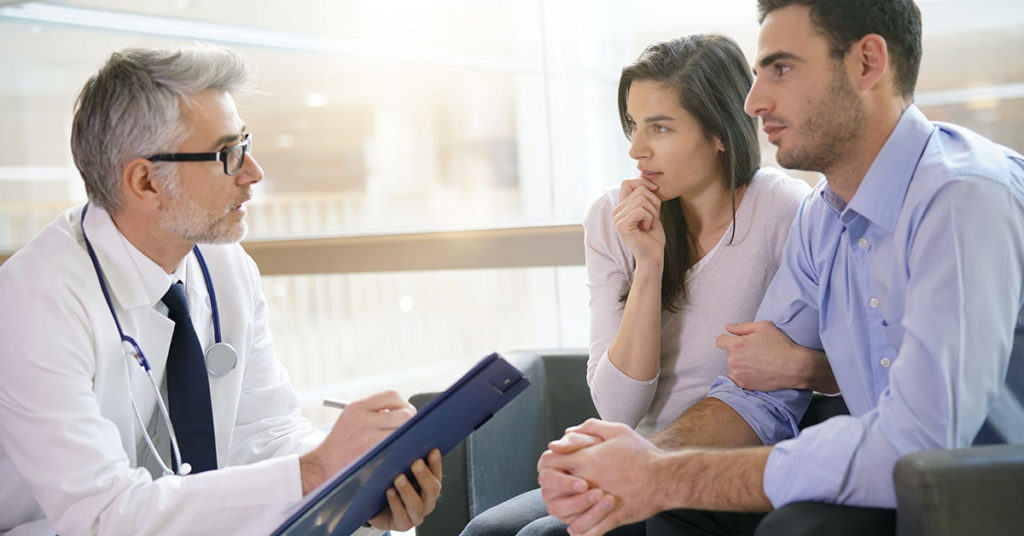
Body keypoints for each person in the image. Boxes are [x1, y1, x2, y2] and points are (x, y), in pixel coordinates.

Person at [537, 1, 1024, 535]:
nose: (753, 101)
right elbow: (756, 395)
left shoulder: (962, 198)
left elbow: (922, 444)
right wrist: (644, 459)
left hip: (982, 501)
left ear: (867, 64)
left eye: (782, 69)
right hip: (901, 489)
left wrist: (665, 475)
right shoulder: (822, 218)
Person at [0, 45, 442, 535]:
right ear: (146, 182)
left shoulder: (223, 264)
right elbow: (102, 518)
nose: (253, 173)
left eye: (245, 144)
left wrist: (354, 485)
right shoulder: (35, 303)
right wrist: (315, 472)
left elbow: (267, 433)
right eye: (228, 154)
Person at [461, 33, 831, 536]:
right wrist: (648, 264)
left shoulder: (783, 210)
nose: (637, 149)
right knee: (487, 533)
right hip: (636, 449)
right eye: (634, 125)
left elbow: (782, 393)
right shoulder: (613, 216)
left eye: (660, 127)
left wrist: (642, 463)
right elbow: (619, 408)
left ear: (719, 132)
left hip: (727, 466)